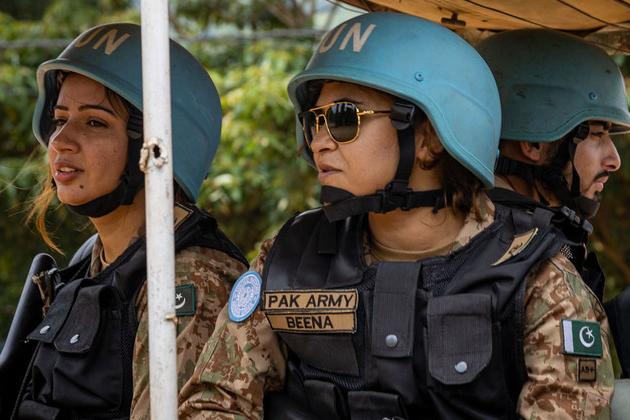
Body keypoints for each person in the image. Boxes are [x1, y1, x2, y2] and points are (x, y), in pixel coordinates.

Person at [183, 12, 613, 419]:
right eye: (314, 122)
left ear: (429, 139)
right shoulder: (288, 259)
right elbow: (214, 401)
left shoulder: (534, 275)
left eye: (344, 118)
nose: (319, 143)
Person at [7, 23, 248, 420]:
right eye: (60, 118)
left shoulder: (188, 277)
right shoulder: (91, 260)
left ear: (154, 147)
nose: (61, 140)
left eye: (95, 122)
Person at [477, 29, 630, 378]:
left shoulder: (443, 228)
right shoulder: (538, 262)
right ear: (535, 143)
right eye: (597, 134)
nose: (614, 159)